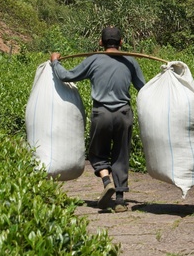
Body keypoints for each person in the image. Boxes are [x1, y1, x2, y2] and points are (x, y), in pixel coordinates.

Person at [50, 26, 146, 213]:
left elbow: (66, 76)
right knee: (121, 155)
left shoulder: (93, 60)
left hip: (101, 113)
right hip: (124, 114)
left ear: (100, 42)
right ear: (121, 42)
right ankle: (119, 200)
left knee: (97, 153)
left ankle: (106, 180)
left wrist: (55, 62)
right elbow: (143, 88)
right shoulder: (130, 62)